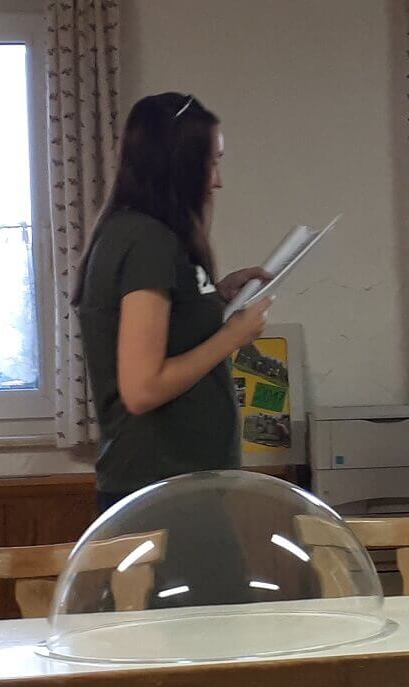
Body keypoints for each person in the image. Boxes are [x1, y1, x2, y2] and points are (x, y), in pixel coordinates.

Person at [74, 92, 274, 513]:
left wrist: (214, 297)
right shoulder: (146, 241)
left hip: (185, 484)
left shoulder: (146, 235)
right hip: (161, 485)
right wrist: (232, 337)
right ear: (179, 165)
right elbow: (142, 389)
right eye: (211, 163)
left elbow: (167, 330)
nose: (217, 181)